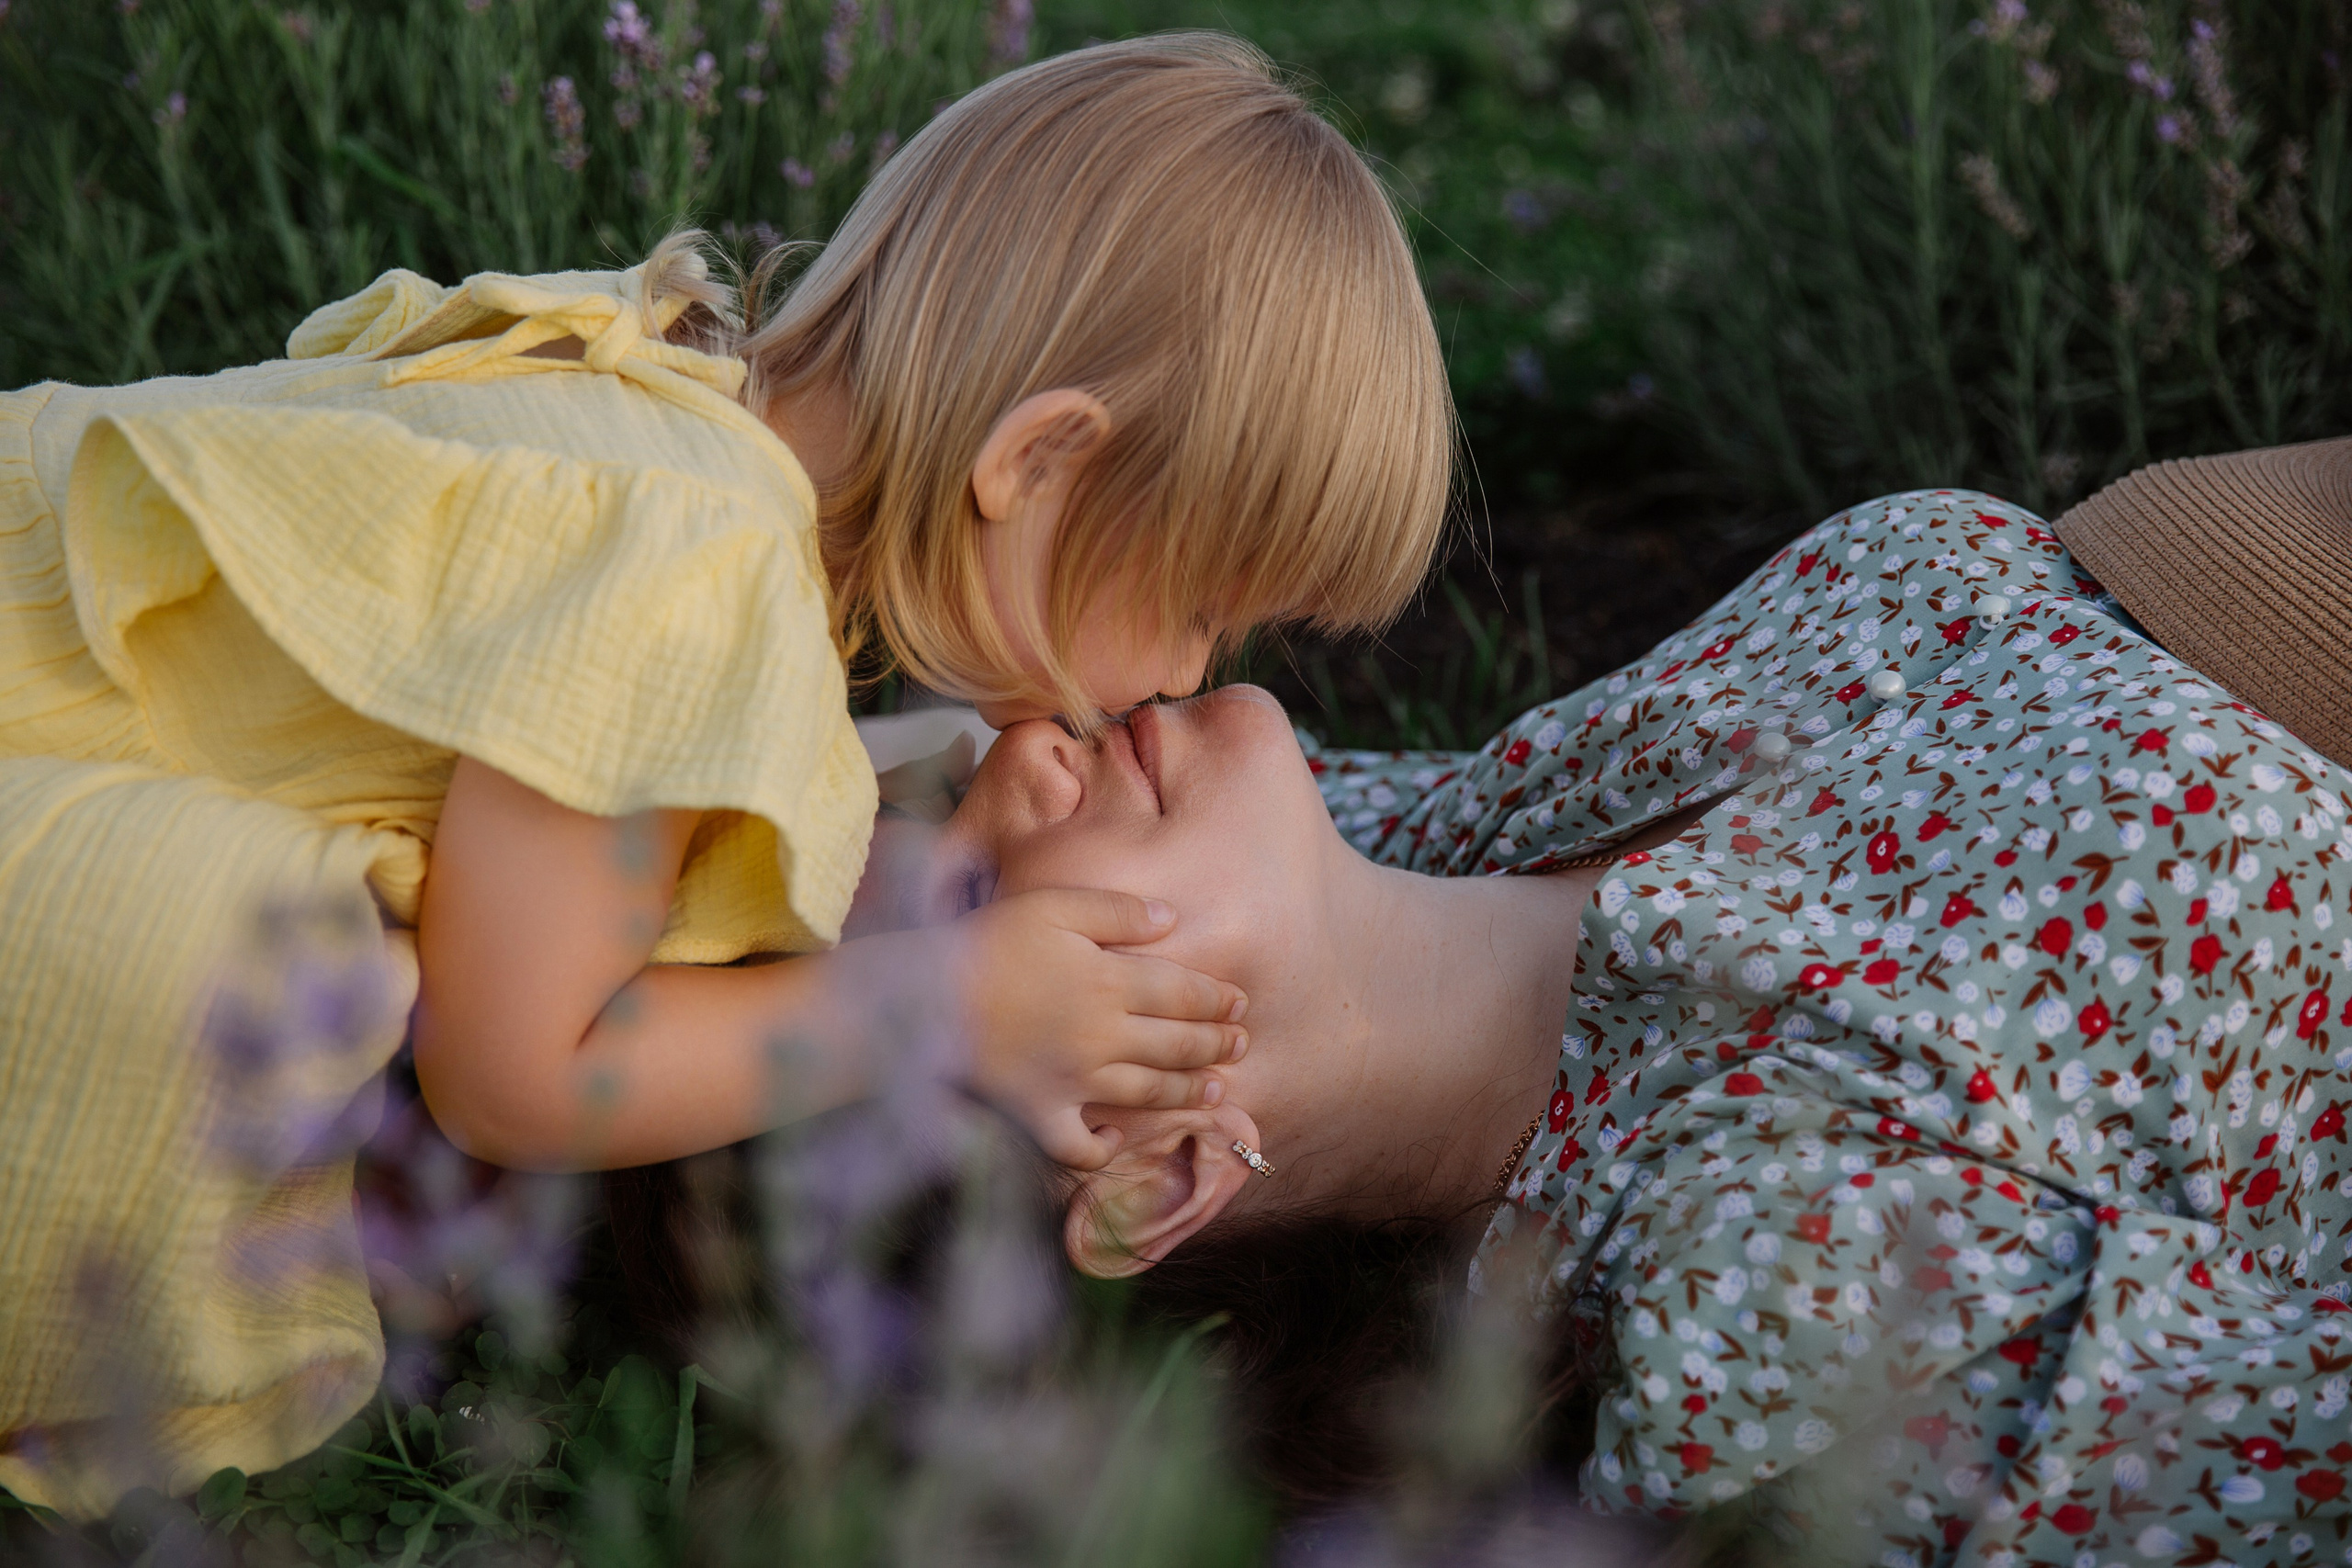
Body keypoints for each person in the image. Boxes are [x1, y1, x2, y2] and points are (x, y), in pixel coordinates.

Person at [0, 36, 1453, 1516]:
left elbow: (654, 837)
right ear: (1042, 463)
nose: (1192, 676)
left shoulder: (678, 401)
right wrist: (948, 999)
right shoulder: (698, 587)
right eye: (1202, 603)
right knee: (296, 974)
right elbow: (517, 1073)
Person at [884, 449, 2352, 1562]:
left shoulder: (1454, 831)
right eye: (976, 899)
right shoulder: (1747, 1287)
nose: (1017, 758)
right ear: (1160, 1167)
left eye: (949, 781)